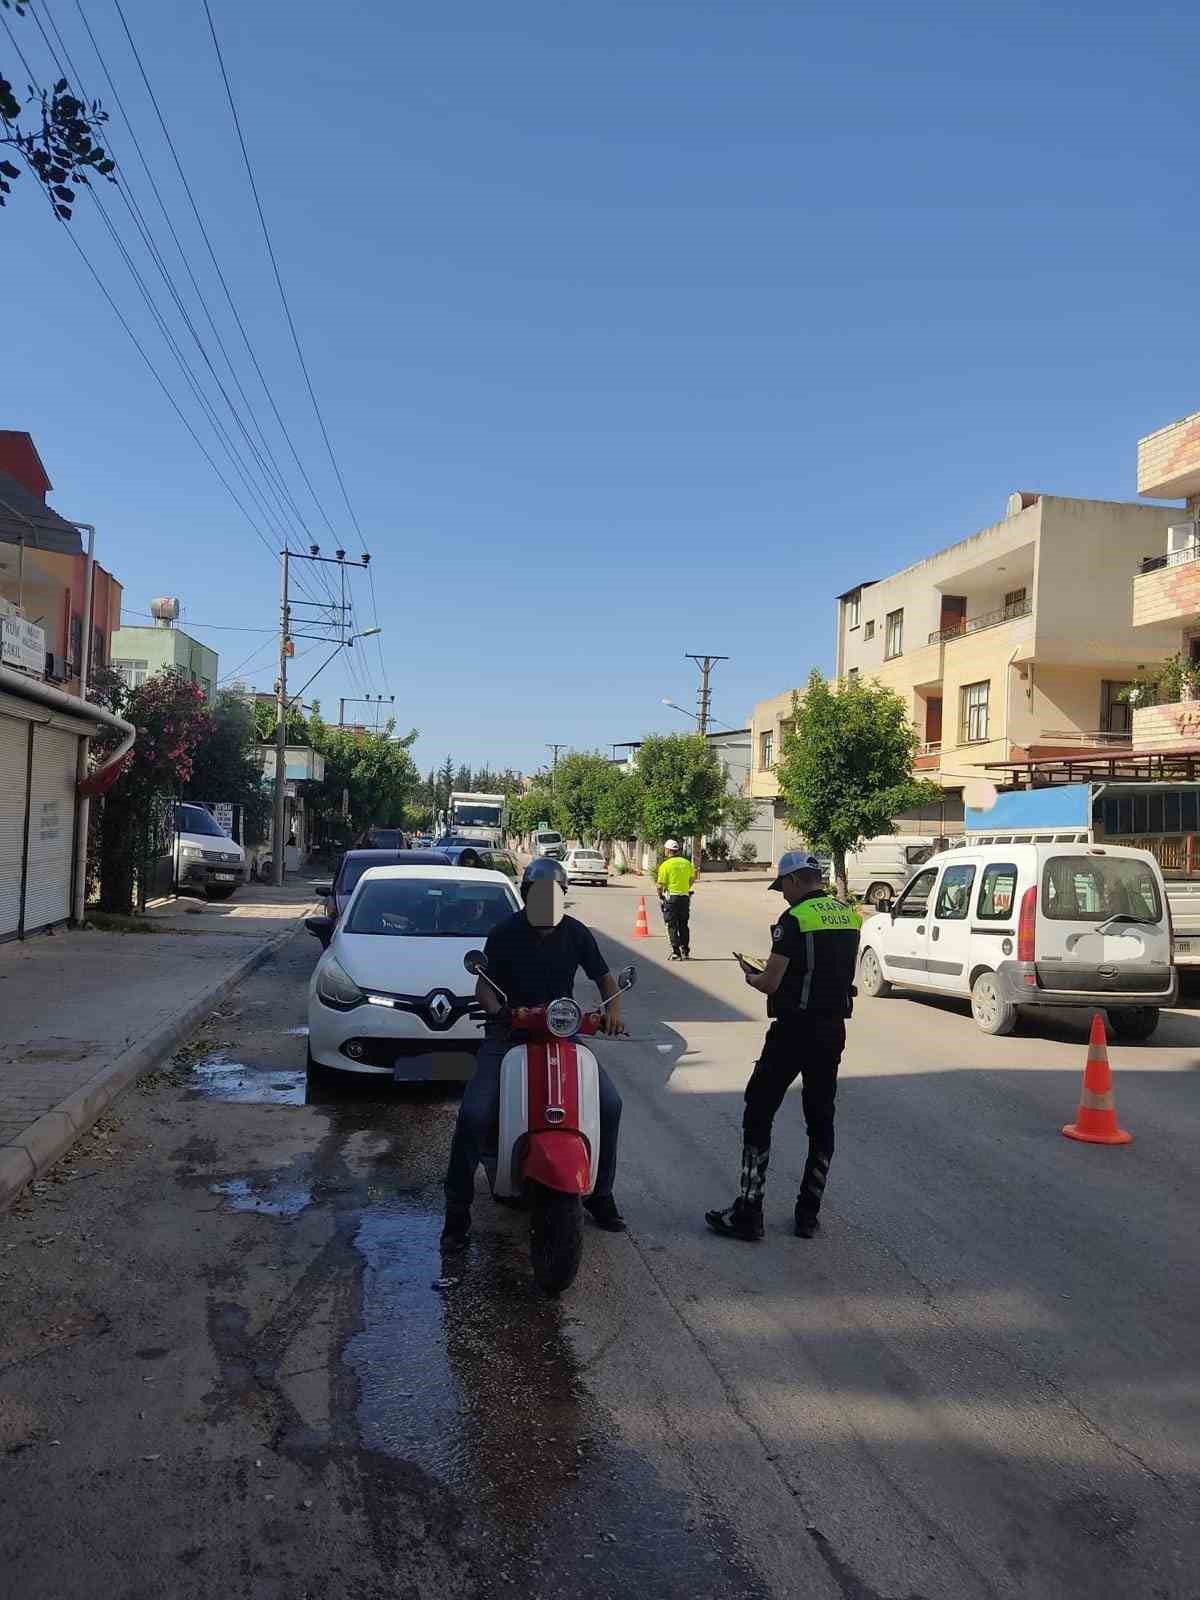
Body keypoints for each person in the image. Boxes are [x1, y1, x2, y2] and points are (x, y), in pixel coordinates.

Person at [441, 857, 627, 1249]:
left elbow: (604, 978)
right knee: (474, 1113)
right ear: (526, 894)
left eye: (554, 895)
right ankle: (457, 1210)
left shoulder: (576, 933)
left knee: (610, 1105)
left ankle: (601, 1193)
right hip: (508, 1035)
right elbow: (484, 987)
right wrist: (499, 1011)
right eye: (538, 894)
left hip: (561, 1033)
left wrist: (612, 1010)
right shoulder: (504, 933)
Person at [705, 851, 861, 1243]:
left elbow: (771, 982)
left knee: (758, 1110)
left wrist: (751, 976)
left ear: (793, 881)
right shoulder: (848, 915)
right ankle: (808, 1214)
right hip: (832, 1031)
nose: (782, 895)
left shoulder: (794, 919)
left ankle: (749, 1212)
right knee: (820, 1119)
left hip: (793, 1031)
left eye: (782, 888)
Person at [656, 839, 696, 960]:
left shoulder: (665, 865)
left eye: (665, 849)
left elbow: (660, 885)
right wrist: (686, 888)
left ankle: (676, 952)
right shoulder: (687, 863)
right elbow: (692, 879)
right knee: (683, 924)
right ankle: (685, 950)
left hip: (671, 898)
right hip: (684, 898)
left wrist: (660, 896)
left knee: (672, 924)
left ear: (668, 850)